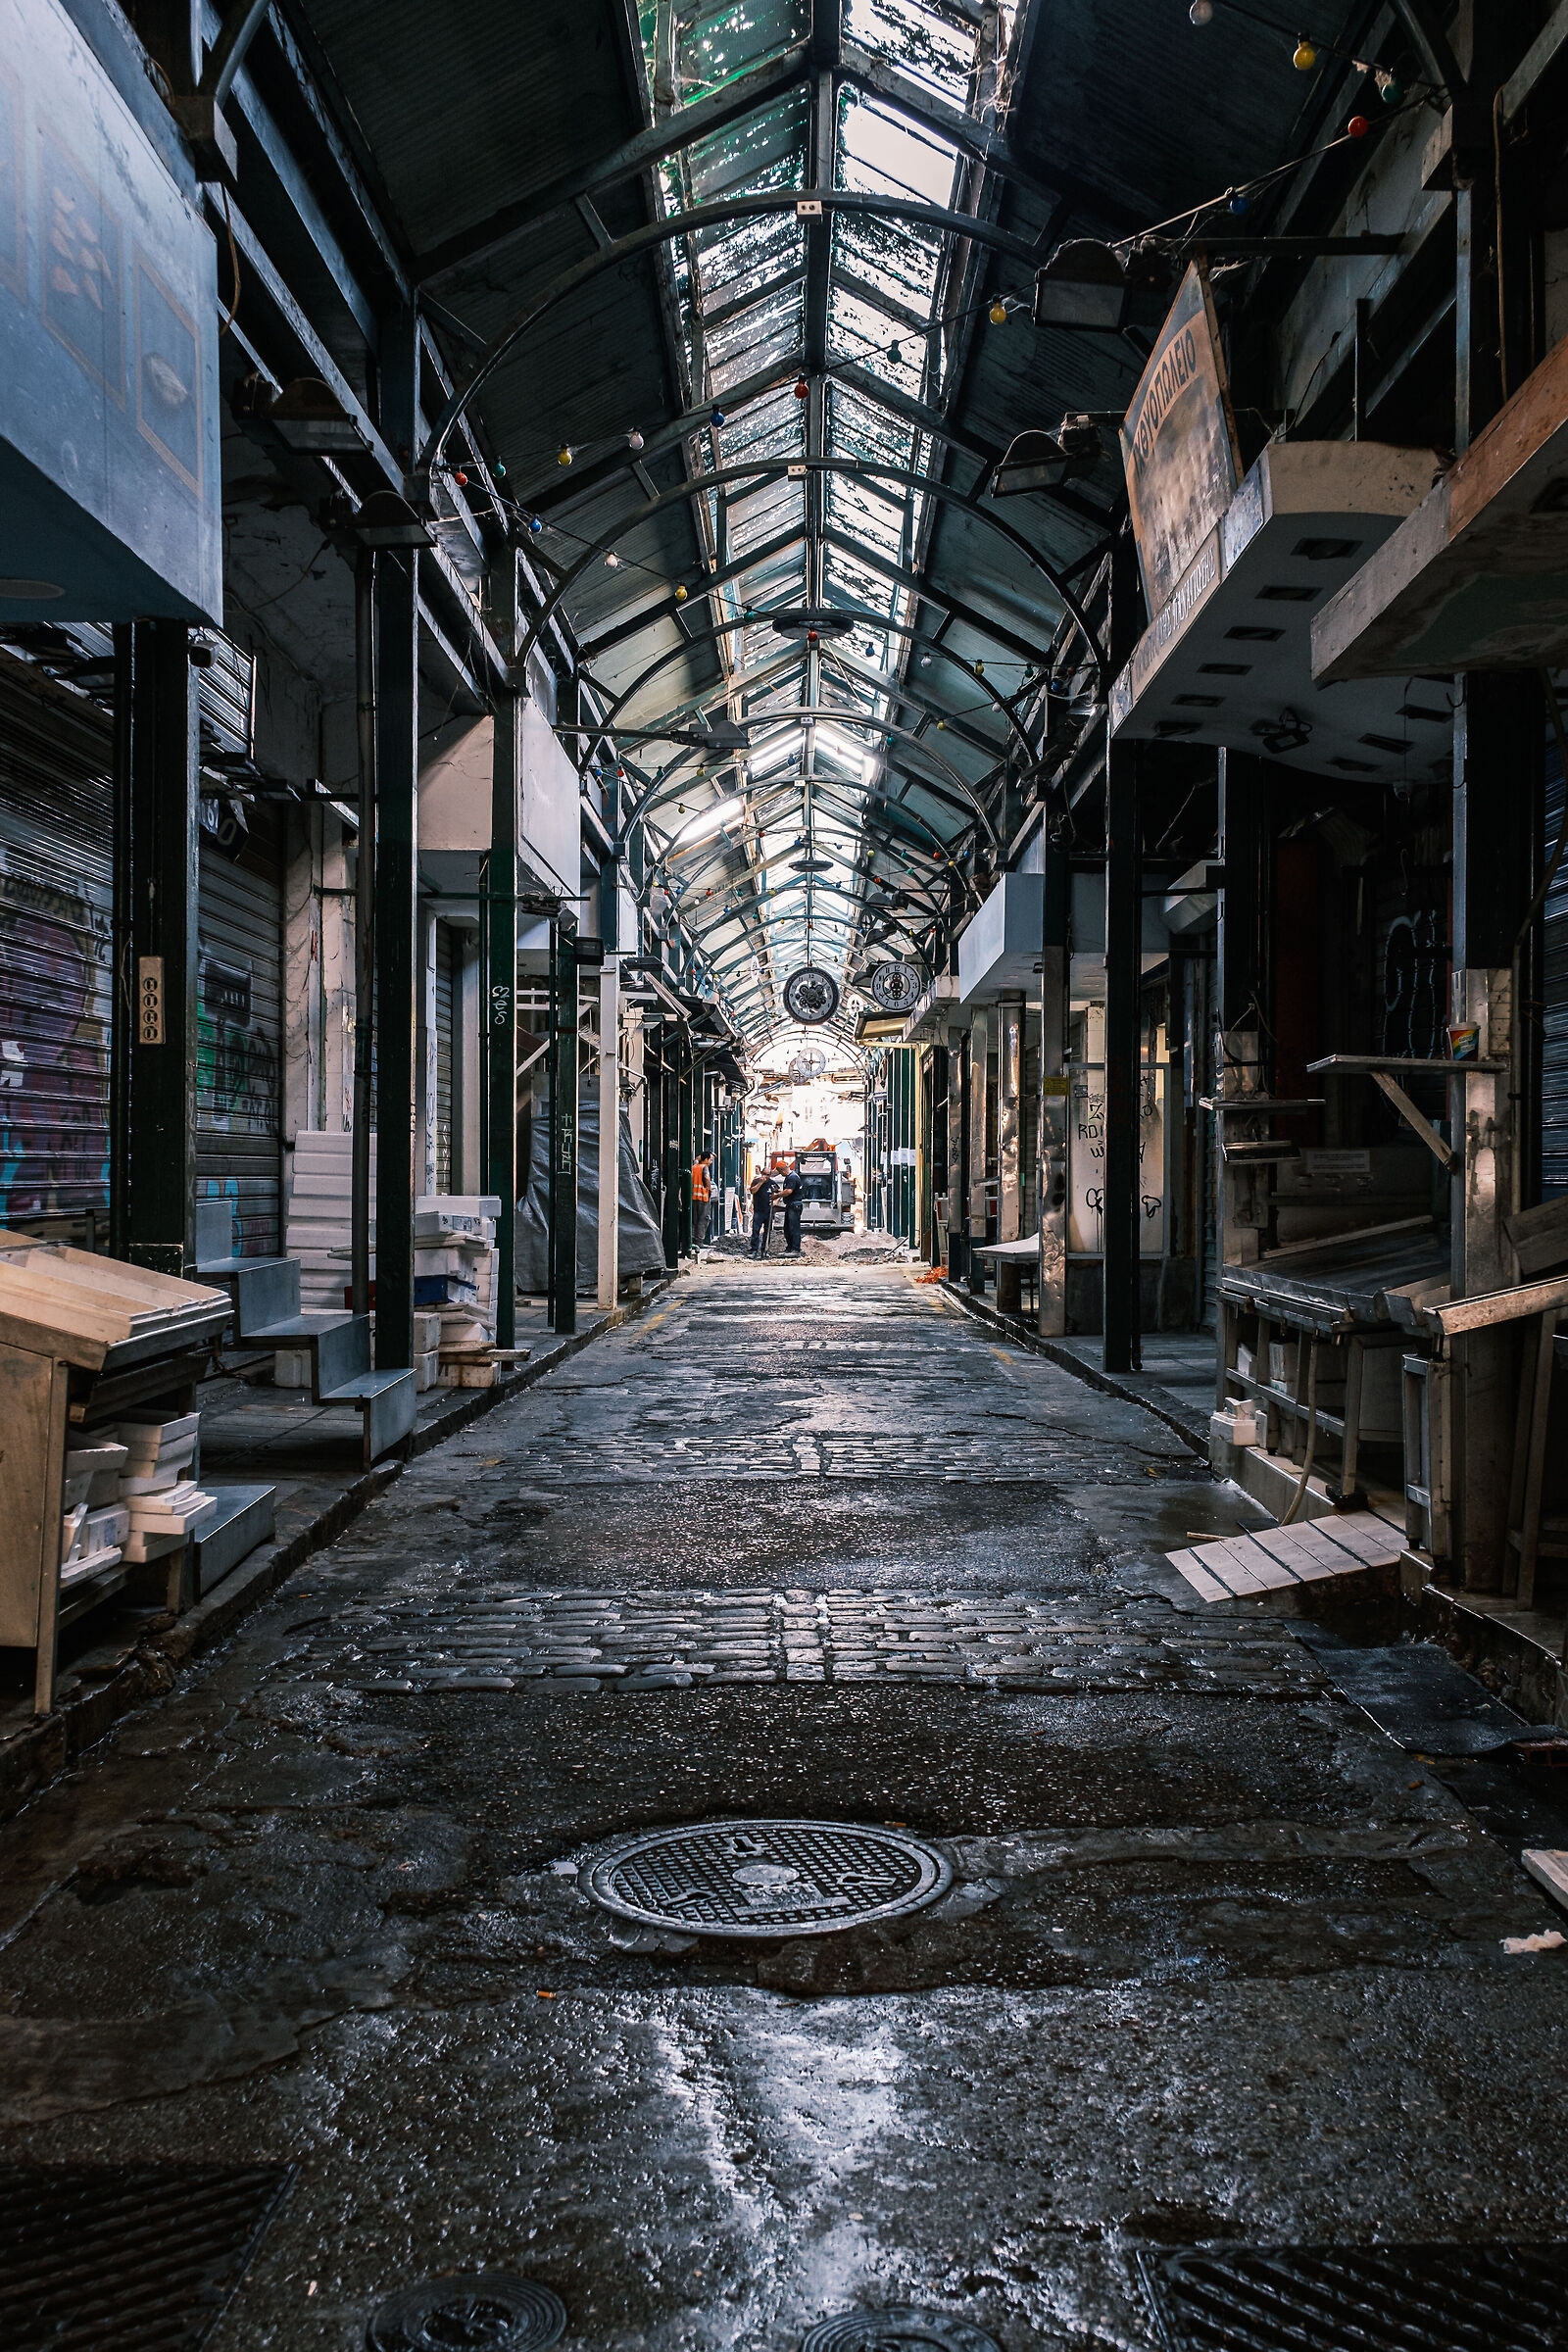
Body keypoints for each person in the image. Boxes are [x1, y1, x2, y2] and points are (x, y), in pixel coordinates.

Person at [776, 1159, 805, 1257]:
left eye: (780, 1172)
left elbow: (788, 1191)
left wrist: (777, 1195)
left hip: (794, 1206)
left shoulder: (792, 1177)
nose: (780, 1174)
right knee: (788, 1228)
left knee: (793, 1228)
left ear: (782, 1169)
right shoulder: (791, 1177)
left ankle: (795, 1249)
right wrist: (780, 1191)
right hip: (791, 1205)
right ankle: (790, 1248)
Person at [749, 1166, 776, 1258]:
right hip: (758, 1210)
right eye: (764, 1174)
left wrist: (775, 1201)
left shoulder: (772, 1183)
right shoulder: (756, 1181)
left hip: (769, 1211)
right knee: (756, 1230)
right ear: (761, 1173)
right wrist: (760, 1183)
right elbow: (753, 1191)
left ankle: (765, 1250)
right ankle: (754, 1250)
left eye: (768, 1175)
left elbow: (778, 1192)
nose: (766, 1176)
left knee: (767, 1231)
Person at [691, 1152, 712, 1246]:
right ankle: (699, 1241)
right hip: (703, 1197)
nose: (711, 1162)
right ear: (706, 1160)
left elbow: (696, 1160)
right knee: (703, 1219)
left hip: (693, 1197)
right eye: (710, 1159)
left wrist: (697, 1158)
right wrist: (709, 1189)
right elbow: (706, 1177)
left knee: (694, 1219)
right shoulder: (704, 1167)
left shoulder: (694, 1167)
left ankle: (691, 1240)